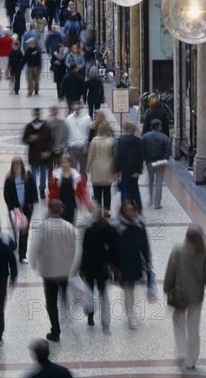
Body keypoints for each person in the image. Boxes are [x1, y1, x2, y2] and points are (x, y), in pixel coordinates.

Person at [29, 199, 77, 342]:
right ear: (61, 210)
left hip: (48, 272)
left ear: (49, 210)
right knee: (64, 292)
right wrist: (72, 265)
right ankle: (66, 311)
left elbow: (34, 248)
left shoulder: (43, 227)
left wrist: (34, 264)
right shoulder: (69, 227)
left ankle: (55, 331)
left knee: (51, 302)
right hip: (65, 270)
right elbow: (75, 249)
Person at [163, 225, 206, 370]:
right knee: (194, 328)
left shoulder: (178, 249)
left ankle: (181, 352)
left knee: (178, 324)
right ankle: (191, 359)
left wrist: (166, 288)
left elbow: (170, 270)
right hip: (196, 297)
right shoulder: (203, 252)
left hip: (179, 295)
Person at [79, 205, 119, 332]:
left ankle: (104, 321)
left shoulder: (111, 230)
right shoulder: (90, 231)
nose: (104, 217)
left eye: (106, 215)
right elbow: (85, 249)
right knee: (90, 292)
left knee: (103, 293)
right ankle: (90, 315)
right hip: (92, 266)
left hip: (103, 267)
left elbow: (114, 250)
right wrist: (82, 267)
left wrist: (114, 266)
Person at [115, 201, 152, 330]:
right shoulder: (118, 227)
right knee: (128, 288)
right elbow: (113, 247)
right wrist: (115, 267)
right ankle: (130, 315)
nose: (130, 212)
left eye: (132, 210)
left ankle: (131, 310)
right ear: (123, 211)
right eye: (127, 210)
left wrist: (147, 261)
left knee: (133, 287)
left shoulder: (139, 225)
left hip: (136, 261)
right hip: (123, 263)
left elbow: (145, 245)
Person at [3, 157, 38, 263]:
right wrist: (11, 208)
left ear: (22, 166)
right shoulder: (9, 179)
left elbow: (33, 190)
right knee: (15, 229)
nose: (16, 167)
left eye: (18, 165)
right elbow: (6, 194)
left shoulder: (28, 176)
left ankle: (22, 255)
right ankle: (15, 244)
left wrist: (32, 203)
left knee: (24, 232)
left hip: (26, 209)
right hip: (14, 209)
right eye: (14, 165)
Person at [48, 155, 91, 224]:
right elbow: (52, 191)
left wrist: (88, 204)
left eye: (65, 162)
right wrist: (49, 203)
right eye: (62, 162)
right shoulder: (55, 175)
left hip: (71, 205)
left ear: (70, 163)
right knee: (59, 224)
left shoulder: (77, 176)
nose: (63, 164)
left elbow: (82, 191)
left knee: (70, 224)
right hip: (59, 205)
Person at [141, 119, 172, 209]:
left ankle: (150, 199)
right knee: (159, 182)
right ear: (159, 126)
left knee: (151, 181)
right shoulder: (164, 137)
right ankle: (157, 203)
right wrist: (164, 158)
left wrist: (145, 159)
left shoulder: (145, 137)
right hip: (160, 162)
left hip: (149, 163)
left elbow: (142, 150)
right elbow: (168, 151)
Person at [22, 108, 52, 199]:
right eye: (36, 114)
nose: (37, 116)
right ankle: (33, 190)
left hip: (43, 154)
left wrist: (48, 152)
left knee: (43, 174)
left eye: (38, 114)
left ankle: (42, 190)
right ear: (33, 115)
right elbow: (24, 139)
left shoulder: (46, 126)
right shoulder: (29, 126)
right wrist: (30, 139)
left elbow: (50, 140)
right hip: (33, 154)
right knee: (33, 174)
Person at [86, 121, 115, 213]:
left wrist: (88, 166)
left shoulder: (95, 140)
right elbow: (114, 156)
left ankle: (98, 211)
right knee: (107, 191)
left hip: (96, 168)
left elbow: (91, 155)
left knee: (97, 191)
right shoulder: (111, 140)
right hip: (108, 168)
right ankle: (106, 211)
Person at [116, 121, 144, 212]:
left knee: (124, 190)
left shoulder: (120, 141)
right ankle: (138, 207)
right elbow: (140, 156)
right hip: (135, 170)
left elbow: (119, 156)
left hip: (124, 170)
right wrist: (138, 171)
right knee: (135, 189)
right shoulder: (138, 141)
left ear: (125, 130)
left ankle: (125, 209)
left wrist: (118, 170)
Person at [65, 101, 92, 177]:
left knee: (83, 169)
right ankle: (74, 186)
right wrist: (67, 145)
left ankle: (82, 187)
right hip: (72, 148)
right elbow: (66, 133)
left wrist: (87, 146)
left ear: (81, 107)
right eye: (75, 108)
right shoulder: (69, 119)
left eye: (78, 108)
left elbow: (89, 133)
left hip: (83, 148)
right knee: (72, 169)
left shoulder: (87, 118)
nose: (76, 110)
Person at [47, 105, 69, 172]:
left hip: (60, 148)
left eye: (56, 110)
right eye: (54, 110)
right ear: (51, 112)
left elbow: (65, 134)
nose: (55, 112)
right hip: (50, 149)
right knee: (50, 168)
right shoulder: (47, 122)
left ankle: (58, 181)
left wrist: (64, 144)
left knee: (59, 168)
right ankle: (50, 181)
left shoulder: (62, 122)